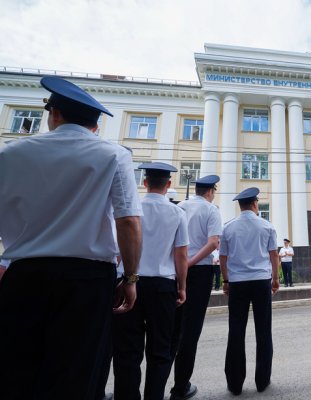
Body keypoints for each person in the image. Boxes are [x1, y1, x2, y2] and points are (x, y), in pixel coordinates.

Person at [0, 76, 142, 399]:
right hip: (86, 283)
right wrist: (131, 278)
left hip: (23, 277)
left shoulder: (9, 155)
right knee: (78, 376)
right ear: (94, 126)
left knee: (16, 374)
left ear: (55, 114)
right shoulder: (114, 155)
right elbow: (130, 222)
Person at [112, 162, 188, 400]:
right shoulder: (177, 213)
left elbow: (116, 251)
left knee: (126, 351)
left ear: (144, 183)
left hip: (128, 282)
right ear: (169, 184)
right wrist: (182, 286)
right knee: (160, 350)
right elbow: (181, 254)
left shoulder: (130, 209)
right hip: (163, 286)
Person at [219, 187, 279, 395]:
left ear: (240, 205)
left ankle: (235, 383)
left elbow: (223, 258)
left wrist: (226, 280)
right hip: (261, 282)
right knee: (263, 330)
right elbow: (273, 256)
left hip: (237, 284)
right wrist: (276, 279)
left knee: (236, 331)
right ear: (255, 204)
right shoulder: (267, 226)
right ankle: (262, 380)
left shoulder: (228, 228)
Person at [170, 175, 222, 400]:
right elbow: (213, 243)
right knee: (190, 331)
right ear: (210, 191)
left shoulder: (180, 206)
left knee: (171, 329)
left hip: (173, 270)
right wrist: (190, 262)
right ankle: (180, 387)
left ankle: (156, 384)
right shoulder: (211, 210)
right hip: (199, 272)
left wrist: (180, 264)